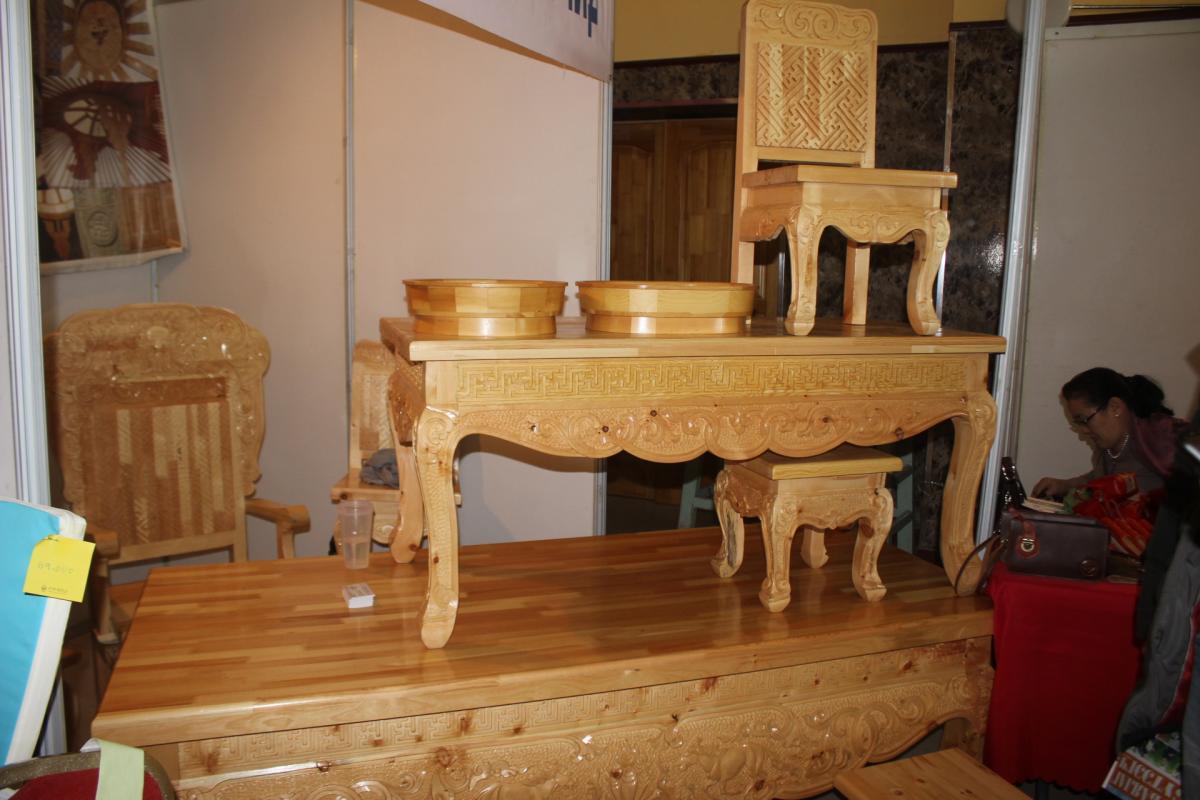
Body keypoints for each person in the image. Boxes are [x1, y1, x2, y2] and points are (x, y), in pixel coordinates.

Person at [1032, 368, 1186, 499]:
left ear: (1115, 407)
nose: (1083, 431)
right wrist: (1065, 485)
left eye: (1084, 420)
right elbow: (1099, 478)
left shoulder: (1157, 446)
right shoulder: (1109, 446)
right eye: (1078, 424)